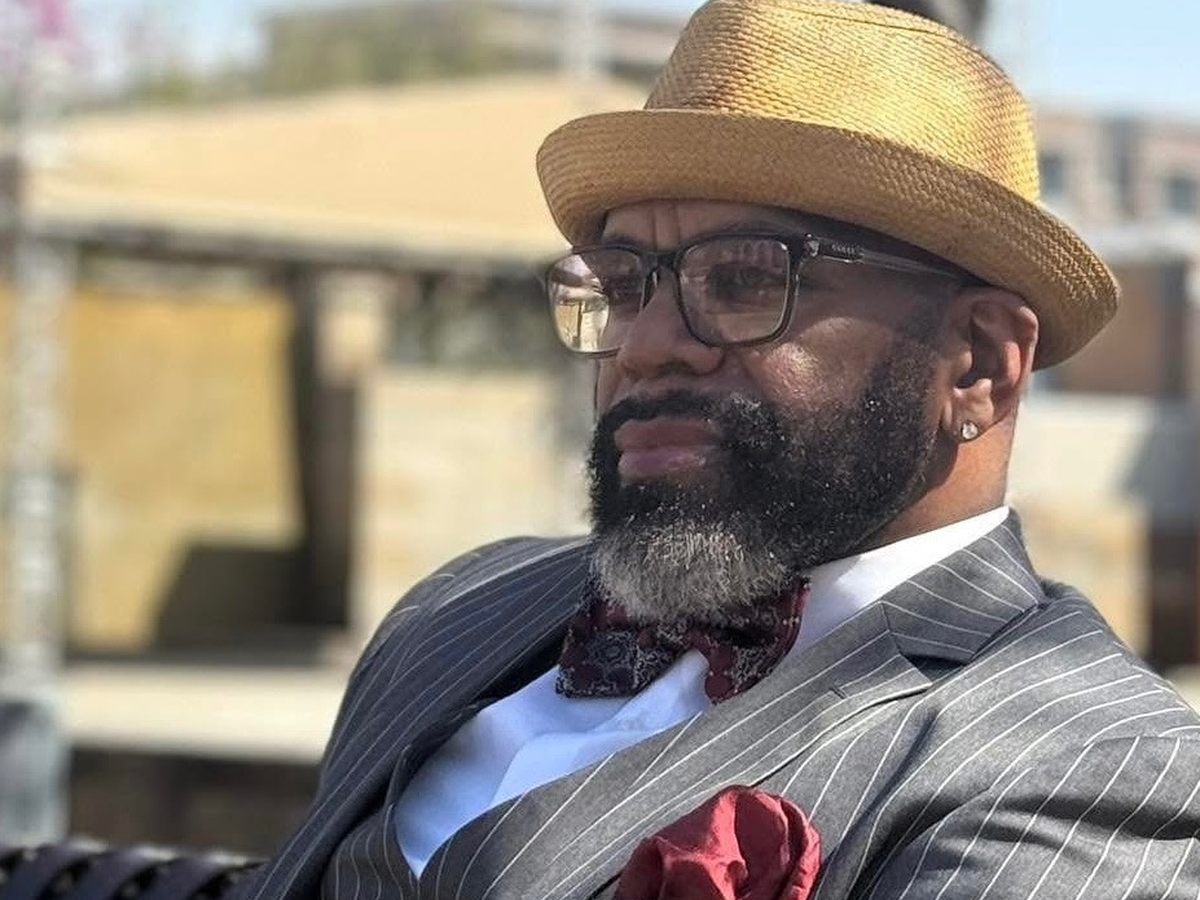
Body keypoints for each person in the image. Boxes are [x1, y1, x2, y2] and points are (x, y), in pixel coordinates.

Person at [8, 1, 1197, 898]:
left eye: (746, 281)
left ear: (980, 363)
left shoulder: (1089, 761)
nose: (649, 344)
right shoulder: (461, 611)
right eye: (623, 285)